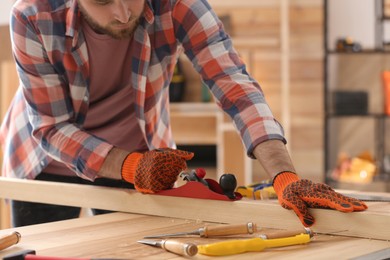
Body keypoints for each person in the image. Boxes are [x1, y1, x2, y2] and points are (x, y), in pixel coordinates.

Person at [0, 0, 367, 228]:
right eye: (103, 1)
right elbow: (51, 127)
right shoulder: (31, 15)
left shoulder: (178, 4)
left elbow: (235, 86)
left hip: (140, 157)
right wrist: (131, 167)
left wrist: (284, 176)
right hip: (45, 164)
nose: (123, 12)